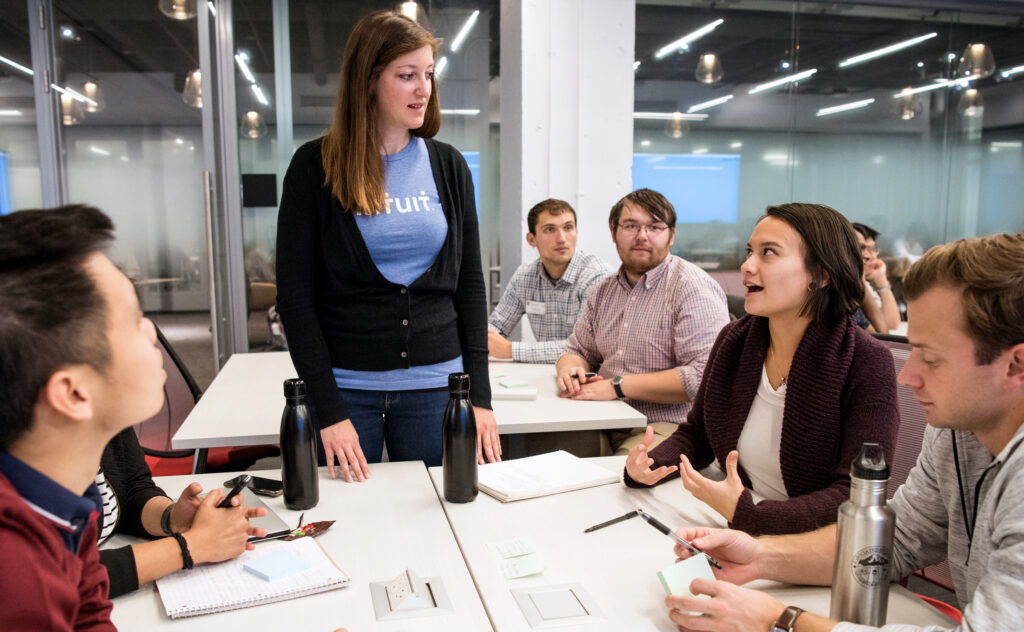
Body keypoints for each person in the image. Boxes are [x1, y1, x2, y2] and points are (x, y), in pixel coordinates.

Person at [662, 233, 1024, 632]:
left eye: (932, 359)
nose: (908, 376)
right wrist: (761, 557)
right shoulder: (959, 432)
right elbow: (893, 542)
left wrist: (778, 620)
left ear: (1016, 364)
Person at [0, 205, 260, 629]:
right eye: (131, 322)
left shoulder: (72, 500)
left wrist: (173, 519)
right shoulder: (15, 573)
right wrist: (189, 547)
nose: (152, 332)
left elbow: (91, 617)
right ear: (73, 393)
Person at [276, 9, 500, 482]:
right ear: (369, 80)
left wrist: (479, 397)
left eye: (428, 75)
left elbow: (471, 286)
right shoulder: (313, 167)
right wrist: (327, 410)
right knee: (344, 528)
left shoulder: (448, 165)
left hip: (438, 387)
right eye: (407, 76)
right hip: (345, 391)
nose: (424, 89)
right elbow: (296, 299)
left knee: (436, 521)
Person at [624, 203, 899, 535]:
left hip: (809, 547)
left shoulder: (867, 361)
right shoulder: (736, 341)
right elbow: (697, 436)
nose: (746, 266)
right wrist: (648, 465)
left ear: (822, 274)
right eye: (749, 251)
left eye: (768, 253)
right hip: (740, 526)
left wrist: (752, 514)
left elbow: (855, 495)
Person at [556, 189, 730, 454]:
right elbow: (578, 350)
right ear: (613, 232)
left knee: (623, 480)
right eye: (630, 226)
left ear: (672, 235)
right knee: (547, 459)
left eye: (655, 227)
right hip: (602, 415)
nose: (642, 236)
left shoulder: (692, 288)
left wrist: (617, 387)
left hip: (669, 426)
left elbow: (702, 377)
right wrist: (570, 371)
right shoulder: (603, 291)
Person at [97, 427, 267, 598]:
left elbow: (131, 489)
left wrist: (172, 518)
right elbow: (74, 576)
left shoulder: (109, 422)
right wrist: (192, 546)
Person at [487, 198, 611, 363]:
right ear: (532, 239)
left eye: (568, 227)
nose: (561, 238)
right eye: (550, 229)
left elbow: (586, 346)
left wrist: (510, 350)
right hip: (544, 373)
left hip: (591, 375)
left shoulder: (596, 277)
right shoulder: (525, 276)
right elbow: (496, 325)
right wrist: (486, 340)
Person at [853, 222, 900, 333]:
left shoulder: (867, 285)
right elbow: (881, 333)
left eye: (873, 249)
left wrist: (881, 280)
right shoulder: (845, 291)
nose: (870, 256)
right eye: (863, 248)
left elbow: (892, 323)